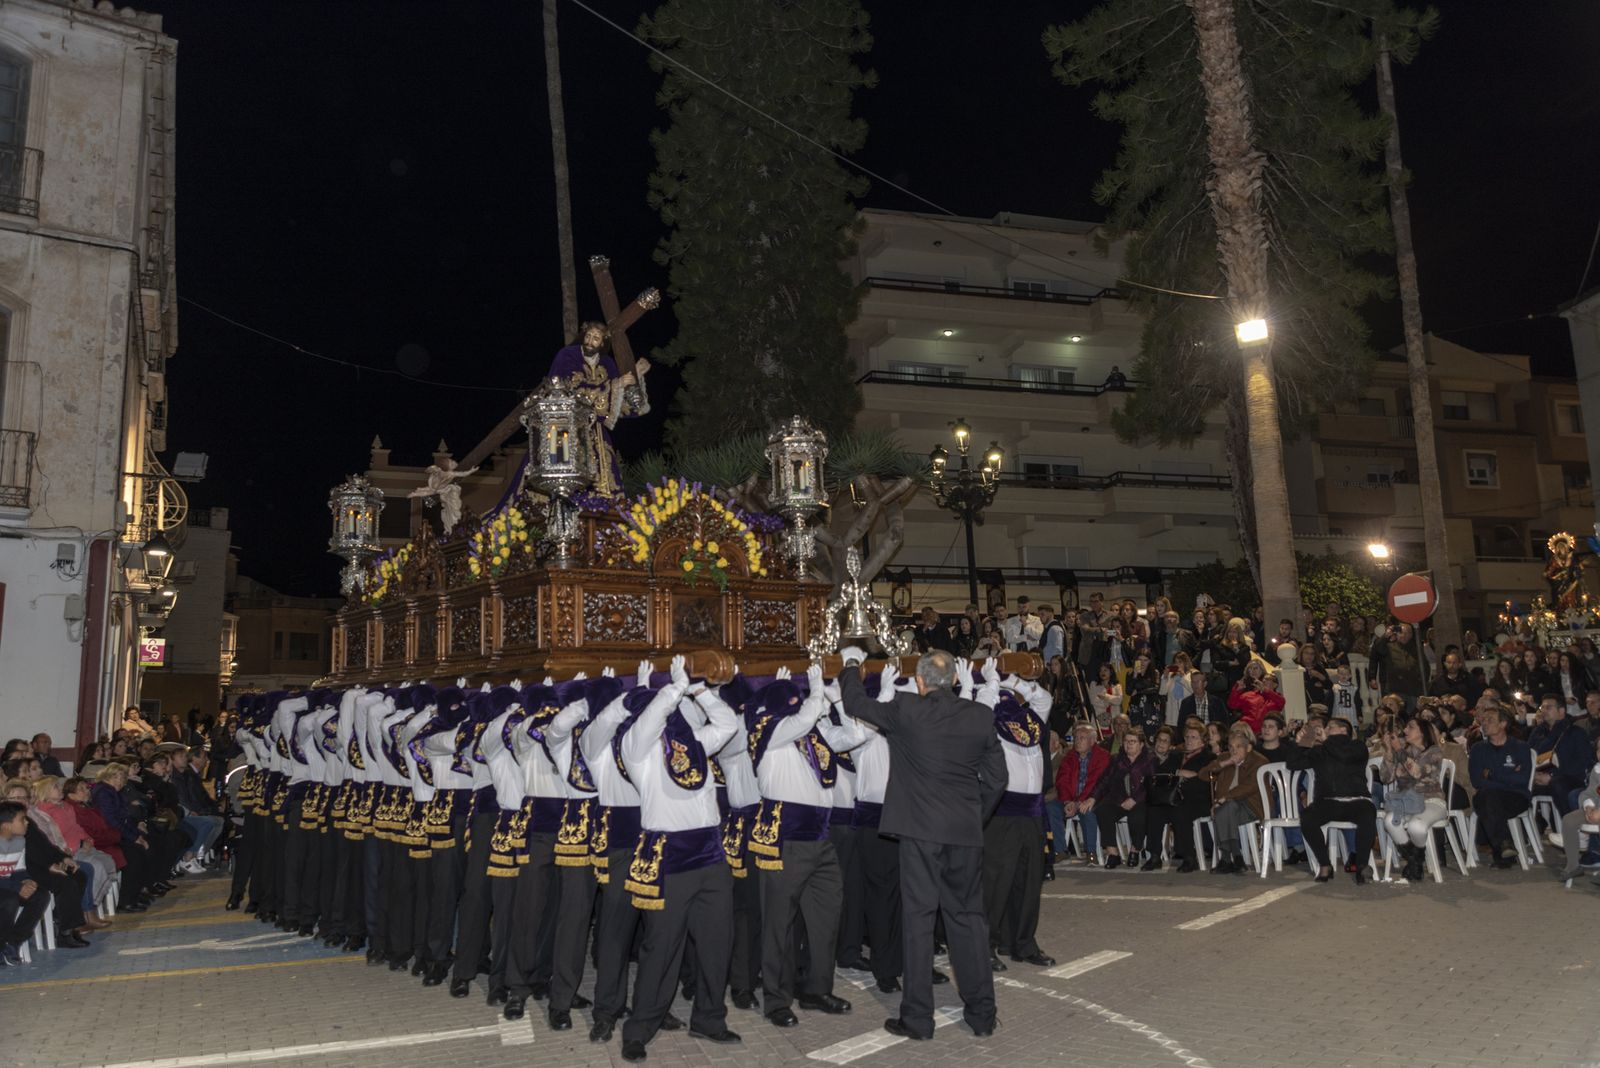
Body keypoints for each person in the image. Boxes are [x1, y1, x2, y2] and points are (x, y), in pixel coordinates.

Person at [838, 647, 1005, 1043]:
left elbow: (855, 704)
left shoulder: (907, 709)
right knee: (968, 920)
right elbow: (998, 779)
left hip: (920, 834)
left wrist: (850, 666)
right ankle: (982, 1015)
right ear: (955, 680)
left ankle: (917, 1019)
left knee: (918, 921)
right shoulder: (980, 716)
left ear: (919, 681)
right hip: (964, 835)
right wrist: (972, 817)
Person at [617, 656, 742, 1062]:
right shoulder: (636, 748)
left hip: (710, 853)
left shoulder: (694, 746)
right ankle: (640, 1027)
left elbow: (727, 724)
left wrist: (702, 691)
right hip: (669, 855)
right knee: (662, 947)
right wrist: (672, 689)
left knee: (716, 943)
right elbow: (650, 721)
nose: (676, 719)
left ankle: (709, 1017)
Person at [973, 662, 1055, 970]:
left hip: (1032, 811)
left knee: (1029, 883)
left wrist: (1014, 681)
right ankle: (985, 945)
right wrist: (991, 685)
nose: (1009, 704)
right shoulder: (987, 720)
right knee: (995, 884)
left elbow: (1044, 698)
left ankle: (1022, 943)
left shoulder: (1029, 720)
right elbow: (979, 710)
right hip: (1003, 811)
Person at [1289, 717, 1377, 884]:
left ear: (1344, 731)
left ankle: (1362, 865)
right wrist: (1299, 743)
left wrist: (1327, 741)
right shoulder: (1321, 750)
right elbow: (1293, 764)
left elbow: (1343, 756)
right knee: (1308, 817)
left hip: (1357, 799)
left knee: (1367, 815)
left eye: (1330, 727)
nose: (1325, 730)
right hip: (1328, 801)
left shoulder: (1357, 746)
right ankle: (1324, 864)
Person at [1378, 717, 1448, 882]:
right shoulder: (1403, 751)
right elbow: (1385, 778)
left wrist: (1399, 750)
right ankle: (1416, 861)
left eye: (1410, 727)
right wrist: (1389, 751)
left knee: (1417, 826)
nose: (1405, 730)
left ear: (1422, 732)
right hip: (1406, 802)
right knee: (1390, 821)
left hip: (1431, 800)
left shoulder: (1434, 752)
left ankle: (1414, 862)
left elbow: (1417, 773)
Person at [1468, 704, 1534, 868]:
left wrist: (1491, 774)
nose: (1484, 723)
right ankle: (1504, 844)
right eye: (1483, 720)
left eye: (1490, 720)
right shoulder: (1478, 749)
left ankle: (1503, 850)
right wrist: (1508, 776)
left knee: (1488, 799)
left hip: (1515, 797)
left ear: (1503, 724)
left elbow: (1522, 780)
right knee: (1489, 797)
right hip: (1489, 796)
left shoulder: (1520, 747)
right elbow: (1477, 781)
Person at [1198, 730, 1267, 873]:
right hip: (1227, 807)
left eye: (1238, 746)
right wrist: (1226, 763)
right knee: (1226, 809)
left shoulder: (1259, 761)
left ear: (1248, 748)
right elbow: (1203, 774)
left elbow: (1249, 786)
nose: (1233, 751)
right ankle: (1236, 857)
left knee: (1224, 808)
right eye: (1230, 747)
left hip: (1251, 806)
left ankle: (1226, 859)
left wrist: (1224, 798)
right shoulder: (1225, 758)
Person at [1090, 727, 1155, 870]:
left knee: (1137, 816)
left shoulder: (1149, 760)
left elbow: (1151, 784)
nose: (1129, 744)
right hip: (1118, 798)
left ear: (1141, 744)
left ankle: (1135, 850)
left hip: (1141, 800)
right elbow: (1104, 780)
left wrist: (1135, 799)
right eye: (1126, 741)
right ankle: (1113, 853)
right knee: (1103, 810)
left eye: (1133, 741)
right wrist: (1093, 798)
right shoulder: (1116, 759)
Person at [1054, 723, 1110, 865]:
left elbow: (1095, 782)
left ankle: (1091, 853)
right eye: (1076, 738)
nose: (1077, 741)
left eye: (1082, 738)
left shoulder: (1103, 756)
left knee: (1087, 811)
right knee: (1051, 808)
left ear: (1092, 741)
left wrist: (1079, 802)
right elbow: (1062, 781)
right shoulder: (1069, 756)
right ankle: (1060, 850)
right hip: (1071, 799)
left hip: (1092, 798)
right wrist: (1067, 801)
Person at [1553, 735, 1600, 882]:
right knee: (1569, 820)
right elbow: (1590, 792)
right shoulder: (1597, 770)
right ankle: (1573, 865)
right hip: (1596, 809)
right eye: (1599, 750)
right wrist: (1589, 807)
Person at [1370, 622, 1424, 710]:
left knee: (1412, 713)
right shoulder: (1389, 646)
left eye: (1408, 633)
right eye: (1402, 633)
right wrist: (1386, 636)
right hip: (1394, 688)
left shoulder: (1416, 647)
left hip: (1413, 689)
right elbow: (1377, 650)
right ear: (1397, 634)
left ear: (1411, 635)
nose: (1405, 636)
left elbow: (1424, 667)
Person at [1088, 663, 1122, 731]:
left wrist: (1105, 696)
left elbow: (1119, 700)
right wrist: (1109, 702)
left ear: (1111, 672)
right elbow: (1093, 700)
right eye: (1100, 671)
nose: (1102, 672)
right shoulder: (1093, 684)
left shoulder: (1117, 686)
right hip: (1099, 718)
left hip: (1113, 719)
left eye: (1105, 670)